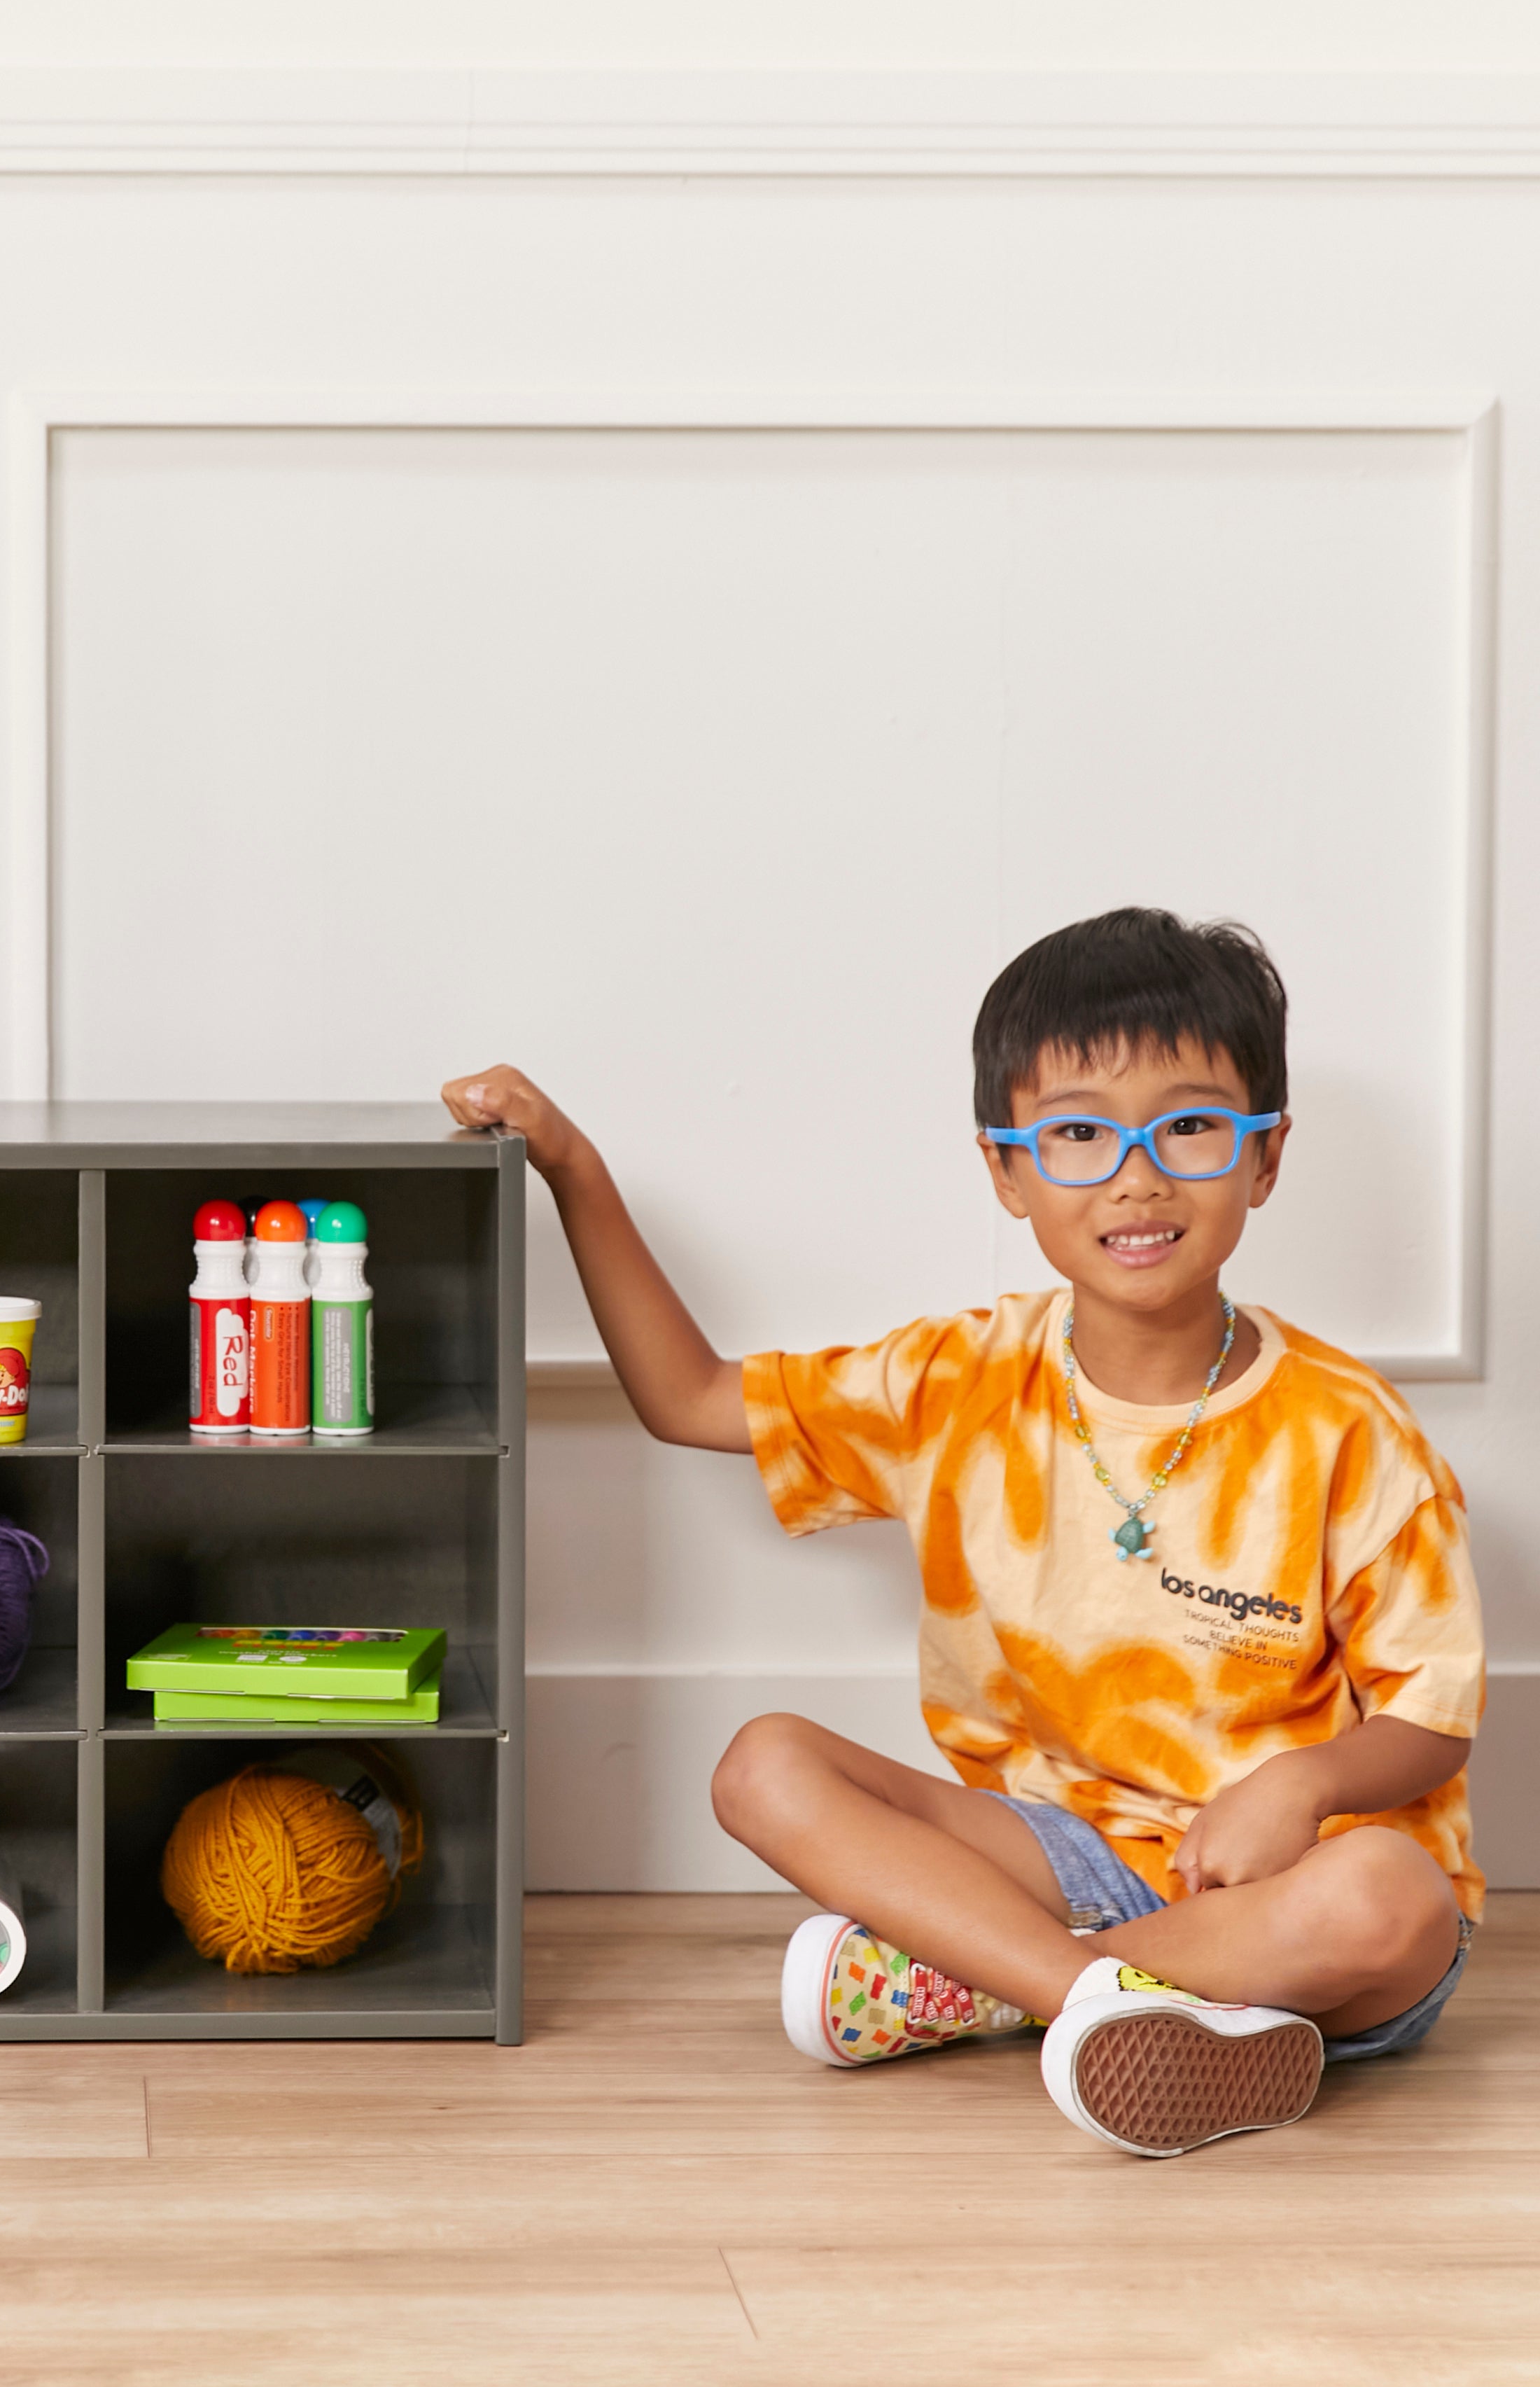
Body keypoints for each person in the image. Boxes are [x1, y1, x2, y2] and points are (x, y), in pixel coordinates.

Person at [444, 907, 1482, 2157]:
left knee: (1392, 1901)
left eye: (1192, 1126)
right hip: (1064, 1852)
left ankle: (977, 1986)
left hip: (1286, 1887)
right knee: (764, 1764)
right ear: (1007, 1169)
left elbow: (1432, 1718)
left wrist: (1300, 1784)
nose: (1137, 1175)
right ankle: (1091, 2001)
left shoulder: (1350, 1431)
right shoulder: (959, 1380)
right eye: (1080, 1135)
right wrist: (573, 1166)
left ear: (1264, 1158)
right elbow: (690, 1400)